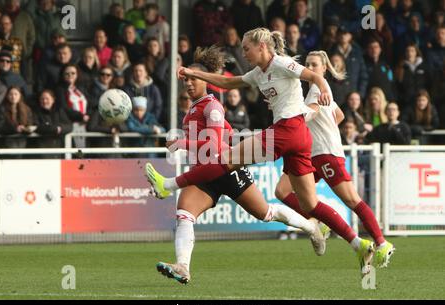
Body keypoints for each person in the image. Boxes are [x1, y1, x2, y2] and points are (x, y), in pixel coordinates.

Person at [146, 28, 374, 274]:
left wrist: (323, 85)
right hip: (288, 141)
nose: (244, 54)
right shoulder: (256, 74)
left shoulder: (280, 65)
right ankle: (356, 243)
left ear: (262, 46)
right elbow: (228, 81)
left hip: (282, 134)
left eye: (246, 48)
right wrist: (192, 72)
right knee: (309, 204)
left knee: (235, 170)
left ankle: (167, 184)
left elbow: (312, 76)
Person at [153, 47, 326, 283]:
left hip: (226, 171)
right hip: (203, 174)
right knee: (184, 213)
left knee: (265, 213)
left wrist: (183, 142)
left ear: (205, 80)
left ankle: (310, 228)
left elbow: (213, 146)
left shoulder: (212, 106)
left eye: (194, 79)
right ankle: (183, 266)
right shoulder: (193, 109)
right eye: (186, 80)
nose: (189, 84)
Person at [273, 51, 395, 269]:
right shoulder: (319, 89)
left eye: (314, 64)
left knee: (352, 200)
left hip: (326, 153)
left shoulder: (315, 92)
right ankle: (320, 223)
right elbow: (339, 115)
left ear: (324, 69)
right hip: (312, 155)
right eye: (307, 64)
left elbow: (308, 114)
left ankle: (382, 242)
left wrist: (292, 114)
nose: (310, 67)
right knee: (281, 191)